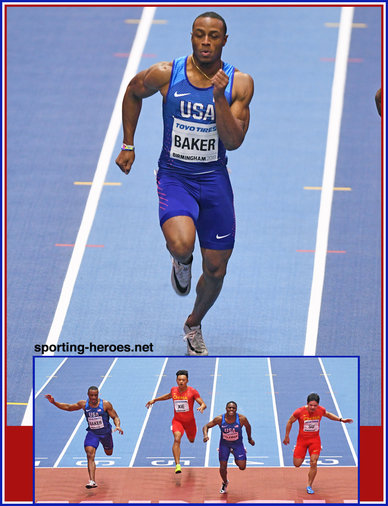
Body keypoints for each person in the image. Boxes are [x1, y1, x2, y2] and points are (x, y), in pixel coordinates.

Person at [115, 12, 254, 356]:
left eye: (213, 36)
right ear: (191, 37)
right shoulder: (167, 73)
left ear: (224, 40)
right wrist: (128, 144)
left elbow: (234, 141)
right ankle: (181, 261)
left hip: (214, 180)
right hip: (175, 177)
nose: (206, 42)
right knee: (181, 245)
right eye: (199, 35)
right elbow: (133, 93)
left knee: (217, 270)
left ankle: (193, 323)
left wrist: (218, 98)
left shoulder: (239, 84)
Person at [45, 386, 123, 489]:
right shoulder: (83, 404)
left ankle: (105, 448)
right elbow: (68, 407)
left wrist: (117, 426)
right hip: (92, 433)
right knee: (90, 454)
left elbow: (115, 416)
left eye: (96, 395)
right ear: (88, 395)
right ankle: (92, 481)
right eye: (92, 395)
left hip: (105, 433)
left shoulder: (105, 404)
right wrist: (54, 402)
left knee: (109, 453)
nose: (94, 397)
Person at [283, 392, 353, 495]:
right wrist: (287, 436)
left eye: (315, 405)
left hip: (315, 441)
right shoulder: (299, 412)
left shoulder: (321, 410)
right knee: (297, 464)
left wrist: (341, 420)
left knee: (313, 462)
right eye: (311, 405)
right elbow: (289, 421)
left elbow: (328, 415)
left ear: (318, 405)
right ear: (307, 403)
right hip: (301, 441)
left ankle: (309, 485)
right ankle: (297, 450)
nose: (312, 407)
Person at [145, 369, 206, 473]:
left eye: (183, 380)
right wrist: (155, 400)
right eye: (179, 380)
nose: (181, 382)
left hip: (190, 422)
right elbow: (168, 396)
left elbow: (203, 403)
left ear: (187, 380)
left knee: (191, 440)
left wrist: (202, 407)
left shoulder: (192, 391)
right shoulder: (173, 390)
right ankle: (178, 465)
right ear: (176, 380)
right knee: (177, 439)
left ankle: (190, 437)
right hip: (177, 421)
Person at [203, 401, 255, 494]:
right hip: (224, 445)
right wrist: (205, 435)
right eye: (229, 408)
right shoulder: (219, 419)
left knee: (242, 467)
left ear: (236, 409)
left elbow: (248, 427)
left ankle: (234, 453)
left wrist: (249, 439)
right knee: (223, 467)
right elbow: (206, 426)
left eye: (233, 408)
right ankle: (225, 482)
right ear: (226, 409)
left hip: (237, 444)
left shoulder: (242, 419)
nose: (231, 410)